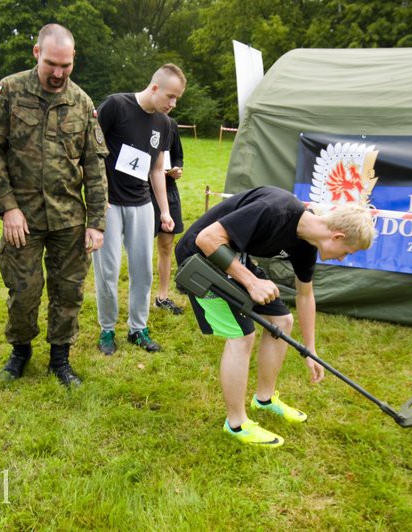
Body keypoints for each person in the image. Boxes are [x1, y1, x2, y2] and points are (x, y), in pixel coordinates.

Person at [175, 186, 376, 447]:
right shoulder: (276, 210)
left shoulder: (306, 243)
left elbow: (305, 295)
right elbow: (207, 239)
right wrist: (251, 282)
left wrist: (310, 350)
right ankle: (236, 424)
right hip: (198, 258)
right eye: (348, 252)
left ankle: (264, 399)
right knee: (242, 335)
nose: (343, 258)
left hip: (233, 256)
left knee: (283, 321)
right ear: (337, 236)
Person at [0, 23, 108, 386]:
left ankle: (60, 359)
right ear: (37, 52)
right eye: (51, 63)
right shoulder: (10, 90)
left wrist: (96, 222)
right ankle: (20, 352)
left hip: (69, 218)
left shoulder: (82, 103)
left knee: (68, 292)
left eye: (65, 65)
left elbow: (95, 166)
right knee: (24, 291)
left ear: (73, 60)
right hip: (24, 218)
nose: (58, 73)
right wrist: (8, 206)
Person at [94, 64, 186, 355]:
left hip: (141, 204)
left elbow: (157, 169)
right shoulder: (115, 106)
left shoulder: (165, 124)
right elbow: (89, 151)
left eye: (177, 100)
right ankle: (107, 330)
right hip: (109, 204)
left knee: (142, 270)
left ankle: (138, 329)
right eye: (170, 97)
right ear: (155, 87)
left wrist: (164, 210)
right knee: (107, 271)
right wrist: (97, 195)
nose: (172, 104)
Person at [151, 117, 185, 315]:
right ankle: (138, 297)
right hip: (142, 192)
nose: (171, 104)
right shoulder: (141, 120)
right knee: (141, 249)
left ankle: (162, 297)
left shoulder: (171, 124)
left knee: (166, 245)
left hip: (169, 190)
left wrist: (177, 170)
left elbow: (178, 155)